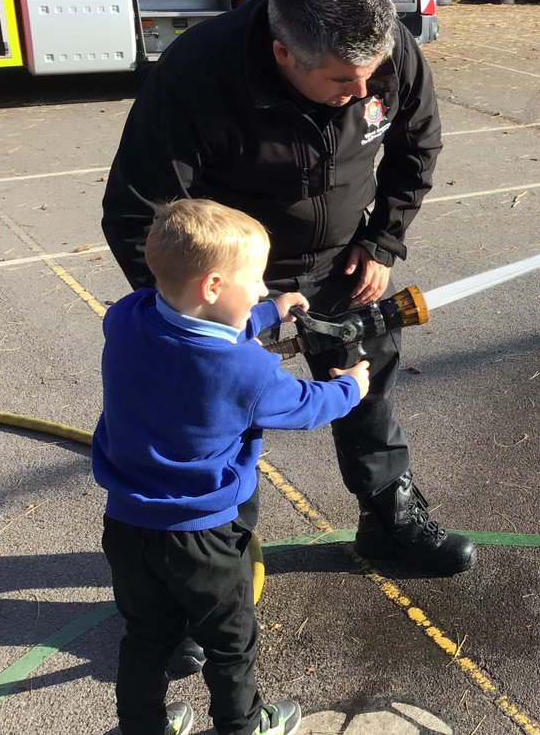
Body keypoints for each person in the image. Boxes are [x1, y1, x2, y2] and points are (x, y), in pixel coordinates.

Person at [101, 0, 477, 579]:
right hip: (233, 274)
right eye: (341, 83)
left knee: (368, 394)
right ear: (283, 54)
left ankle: (389, 522)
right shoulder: (198, 75)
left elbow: (418, 143)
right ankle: (208, 580)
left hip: (345, 261)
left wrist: (383, 241)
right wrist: (199, 315)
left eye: (372, 77)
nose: (363, 95)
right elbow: (139, 210)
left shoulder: (384, 52)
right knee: (217, 422)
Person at [92, 198, 371, 735]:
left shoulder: (125, 319)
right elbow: (308, 405)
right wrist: (352, 386)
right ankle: (243, 726)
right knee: (231, 642)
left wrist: (269, 313)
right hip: (204, 535)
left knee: (146, 638)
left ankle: (142, 728)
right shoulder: (247, 371)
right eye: (258, 281)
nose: (264, 289)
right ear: (214, 287)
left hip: (127, 526)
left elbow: (188, 327)